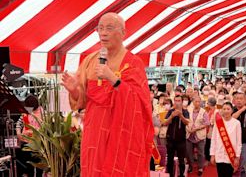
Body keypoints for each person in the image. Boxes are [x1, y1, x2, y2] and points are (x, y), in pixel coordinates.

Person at [61, 12, 154, 176]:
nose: (103, 33)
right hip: (95, 132)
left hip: (123, 133)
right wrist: (74, 90)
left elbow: (141, 104)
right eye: (100, 28)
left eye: (109, 28)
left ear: (123, 33)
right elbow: (82, 101)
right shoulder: (90, 61)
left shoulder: (133, 63)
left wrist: (113, 78)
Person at [210, 102, 241, 177]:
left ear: (232, 110)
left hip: (231, 155)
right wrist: (212, 155)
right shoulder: (218, 123)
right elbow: (213, 139)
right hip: (219, 154)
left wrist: (237, 156)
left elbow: (238, 142)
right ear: (221, 111)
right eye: (224, 109)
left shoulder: (236, 123)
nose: (226, 111)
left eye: (228, 109)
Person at [163, 95, 190, 177]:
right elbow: (165, 123)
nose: (177, 102)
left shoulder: (185, 111)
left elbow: (187, 122)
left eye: (179, 100)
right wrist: (172, 116)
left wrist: (181, 115)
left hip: (181, 140)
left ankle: (182, 174)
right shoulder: (170, 111)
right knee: (170, 160)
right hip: (170, 139)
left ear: (182, 102)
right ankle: (170, 175)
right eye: (176, 100)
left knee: (181, 160)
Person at [186, 96, 210, 176]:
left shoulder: (204, 112)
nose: (197, 103)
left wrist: (196, 129)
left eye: (198, 101)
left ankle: (200, 167)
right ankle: (191, 166)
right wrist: (188, 128)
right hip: (189, 134)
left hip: (199, 135)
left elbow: (207, 123)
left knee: (201, 153)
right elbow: (185, 121)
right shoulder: (188, 110)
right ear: (192, 102)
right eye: (195, 101)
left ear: (201, 102)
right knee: (189, 152)